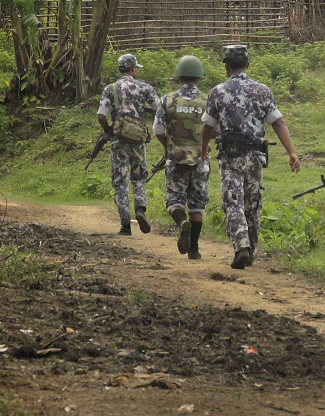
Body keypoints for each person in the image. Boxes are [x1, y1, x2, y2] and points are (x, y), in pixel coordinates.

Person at [199, 44, 301, 269]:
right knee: (252, 204)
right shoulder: (263, 91)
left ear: (227, 67)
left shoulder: (218, 91)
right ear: (248, 64)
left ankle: (241, 246)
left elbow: (207, 126)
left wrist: (204, 146)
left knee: (233, 201)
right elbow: (278, 122)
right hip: (255, 156)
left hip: (230, 156)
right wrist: (291, 152)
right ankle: (252, 250)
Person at [153, 55, 211, 260]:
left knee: (174, 201)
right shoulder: (207, 100)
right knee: (197, 205)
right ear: (199, 76)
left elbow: (158, 129)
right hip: (201, 159)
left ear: (179, 75)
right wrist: (205, 145)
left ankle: (181, 223)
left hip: (175, 158)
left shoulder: (167, 100)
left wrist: (168, 146)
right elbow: (215, 129)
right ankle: (194, 250)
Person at [97, 53, 159, 235]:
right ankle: (140, 208)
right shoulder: (145, 87)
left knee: (120, 182)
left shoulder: (111, 89)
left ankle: (125, 226)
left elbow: (101, 115)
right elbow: (159, 109)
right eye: (136, 67)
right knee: (139, 177)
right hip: (138, 141)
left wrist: (109, 129)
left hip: (118, 141)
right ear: (133, 69)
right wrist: (142, 110)